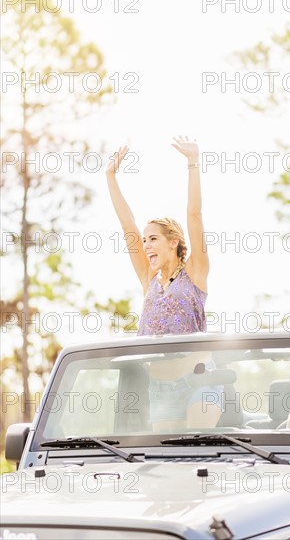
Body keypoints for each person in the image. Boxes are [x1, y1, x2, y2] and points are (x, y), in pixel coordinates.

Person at [105, 136, 222, 431]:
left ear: (174, 242)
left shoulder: (195, 272)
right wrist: (110, 177)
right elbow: (127, 226)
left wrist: (193, 163)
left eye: (153, 239)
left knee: (193, 450)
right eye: (145, 241)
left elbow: (194, 215)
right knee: (172, 462)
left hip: (199, 379)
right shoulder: (149, 279)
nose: (146, 246)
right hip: (161, 388)